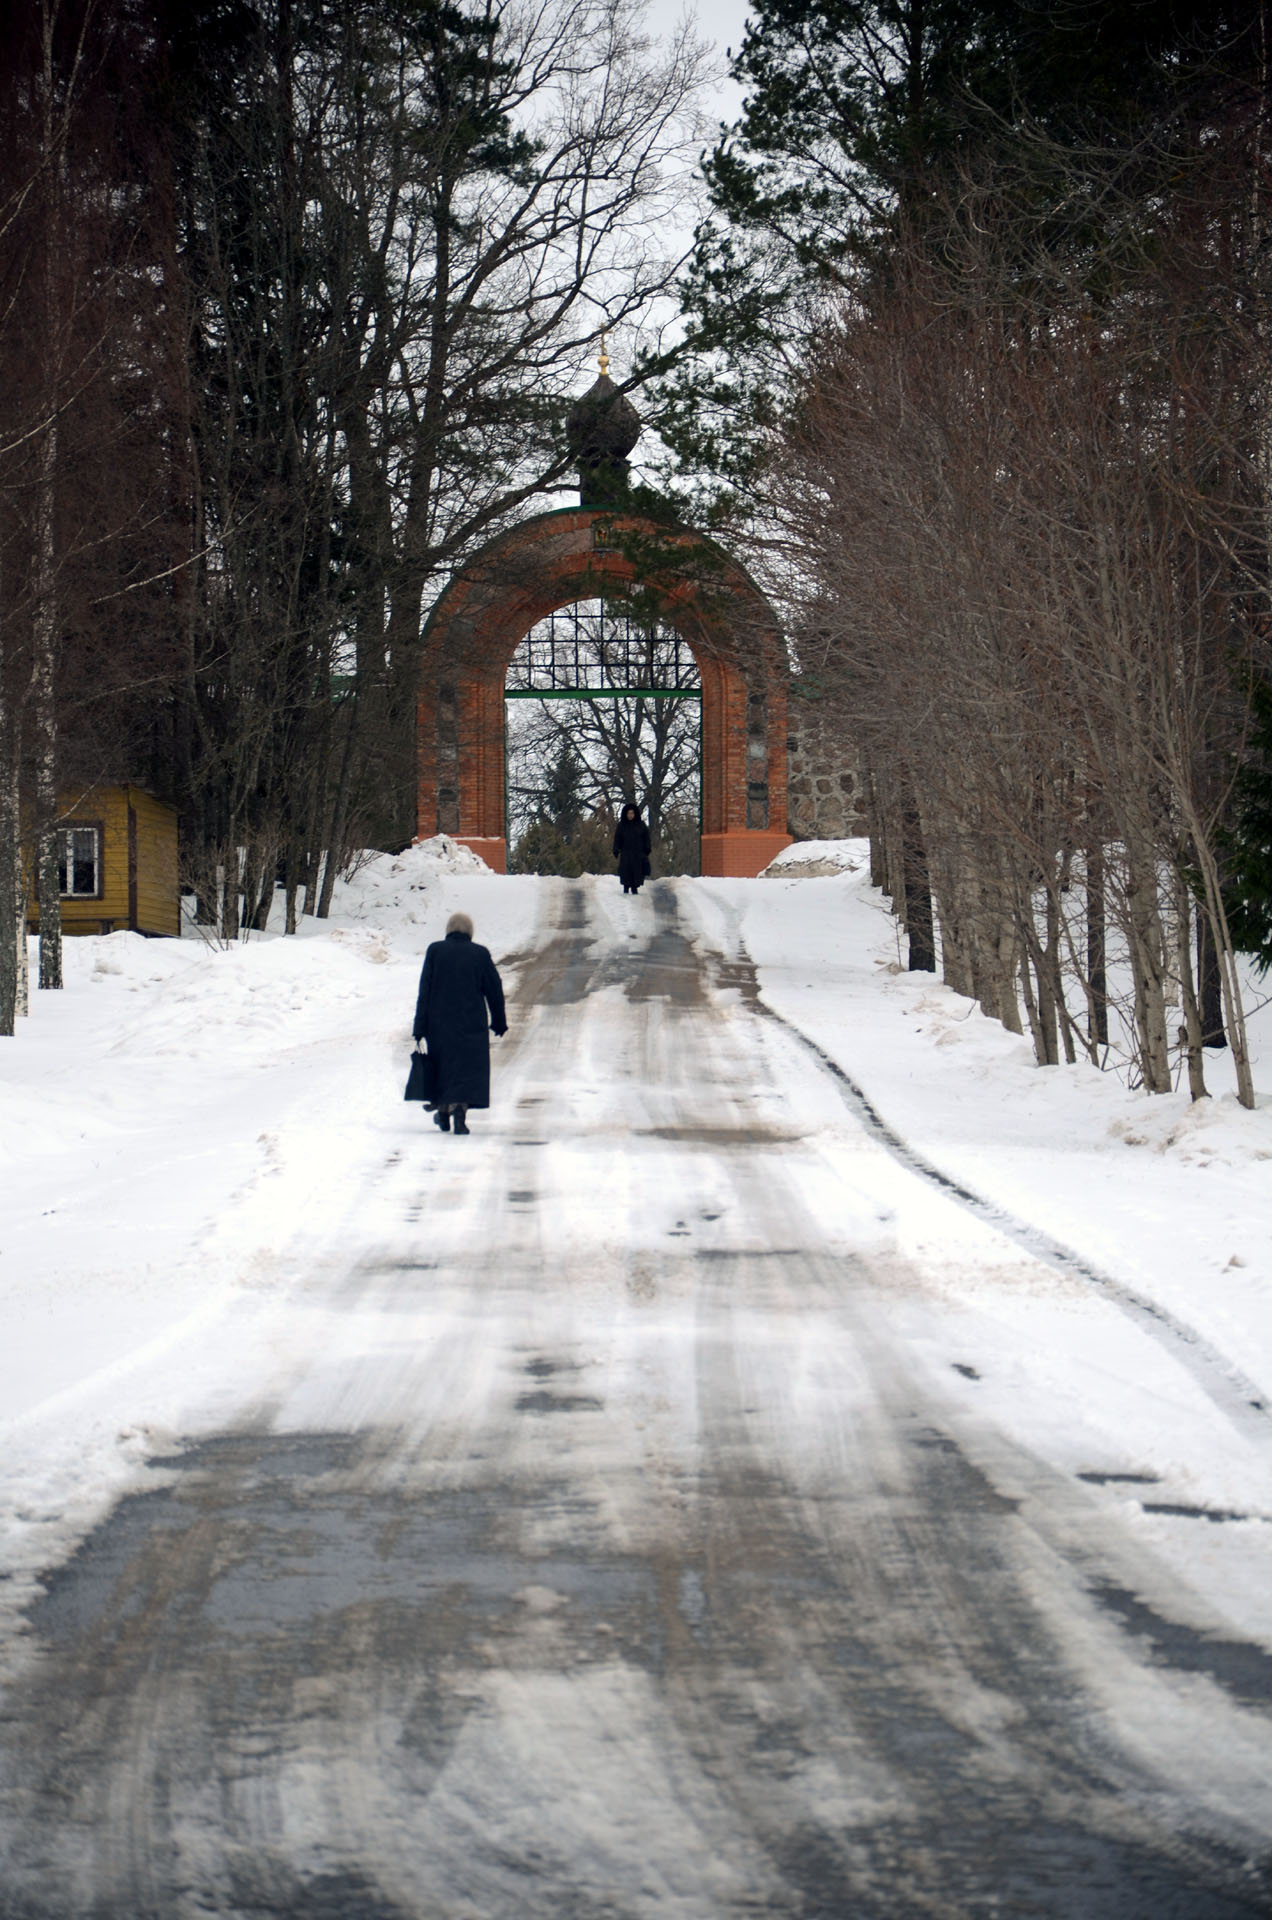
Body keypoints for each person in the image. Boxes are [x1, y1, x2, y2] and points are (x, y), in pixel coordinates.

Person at [412, 911, 507, 1135]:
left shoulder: (435, 951)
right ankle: (460, 1115)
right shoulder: (480, 954)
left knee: (444, 1066)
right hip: (471, 1022)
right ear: (470, 932)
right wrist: (499, 1021)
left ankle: (443, 1113)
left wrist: (420, 1027)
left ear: (448, 930)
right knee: (466, 1069)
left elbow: (424, 991)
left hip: (439, 1022)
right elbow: (494, 990)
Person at [612, 801, 651, 895]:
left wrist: (647, 849)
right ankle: (626, 888)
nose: (630, 815)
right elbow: (617, 838)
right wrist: (616, 849)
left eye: (632, 813)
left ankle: (635, 888)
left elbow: (646, 838)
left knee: (637, 872)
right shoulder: (622, 825)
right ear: (625, 814)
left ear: (635, 814)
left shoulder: (641, 825)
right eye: (628, 813)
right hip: (626, 853)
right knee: (625, 871)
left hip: (638, 853)